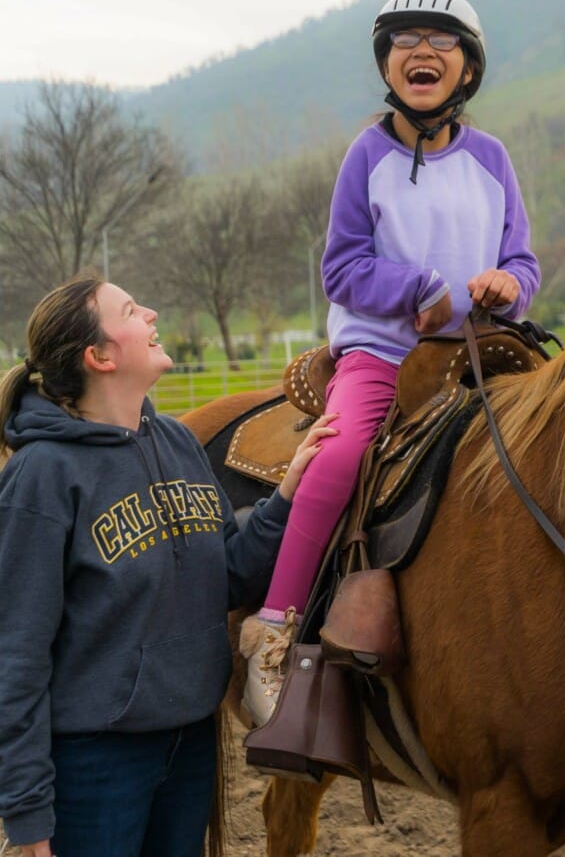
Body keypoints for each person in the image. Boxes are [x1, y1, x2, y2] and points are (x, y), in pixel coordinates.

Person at [240, 0, 541, 727]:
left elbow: (525, 265)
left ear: (467, 70)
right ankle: (273, 631)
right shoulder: (366, 155)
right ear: (388, 64)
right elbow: (341, 268)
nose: (422, 52)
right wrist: (420, 287)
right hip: (382, 354)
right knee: (336, 459)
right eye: (405, 41)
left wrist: (510, 285)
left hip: (477, 355)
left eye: (440, 43)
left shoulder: (493, 159)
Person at [0, 274, 335, 857]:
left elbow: (226, 577)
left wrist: (287, 499)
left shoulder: (177, 444)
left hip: (190, 749)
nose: (151, 313)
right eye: (130, 310)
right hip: (95, 765)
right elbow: (16, 654)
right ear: (99, 356)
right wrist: (27, 812)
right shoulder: (42, 477)